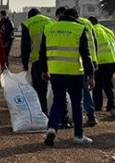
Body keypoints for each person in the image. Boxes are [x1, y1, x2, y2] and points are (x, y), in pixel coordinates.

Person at [40, 8, 95, 146]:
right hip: (74, 72)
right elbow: (86, 54)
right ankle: (78, 135)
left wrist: (44, 70)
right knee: (77, 103)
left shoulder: (49, 28)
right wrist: (91, 75)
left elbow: (42, 52)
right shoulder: (79, 29)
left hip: (55, 71)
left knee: (58, 101)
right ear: (76, 17)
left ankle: (52, 128)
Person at [90, 17, 115, 119]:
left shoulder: (92, 30)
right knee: (106, 83)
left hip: (101, 61)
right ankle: (107, 104)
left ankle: (102, 105)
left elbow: (91, 47)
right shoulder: (108, 30)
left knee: (100, 84)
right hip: (112, 60)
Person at [21, 8, 53, 115]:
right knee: (56, 89)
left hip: (37, 60)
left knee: (40, 89)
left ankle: (43, 113)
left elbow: (25, 46)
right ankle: (60, 115)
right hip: (53, 59)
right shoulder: (50, 21)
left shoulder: (28, 23)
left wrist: (25, 64)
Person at [77, 15, 99, 127]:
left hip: (75, 63)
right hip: (88, 60)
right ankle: (90, 115)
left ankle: (71, 116)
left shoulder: (68, 25)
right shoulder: (88, 23)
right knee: (85, 88)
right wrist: (94, 60)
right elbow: (94, 42)